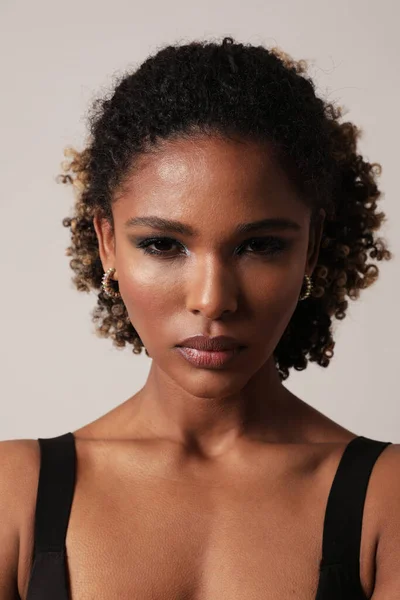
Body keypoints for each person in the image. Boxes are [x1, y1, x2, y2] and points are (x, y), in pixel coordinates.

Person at [0, 36, 399, 600]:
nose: (213, 300)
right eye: (163, 245)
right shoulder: (14, 492)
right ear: (108, 243)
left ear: (311, 248)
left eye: (259, 245)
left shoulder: (389, 501)